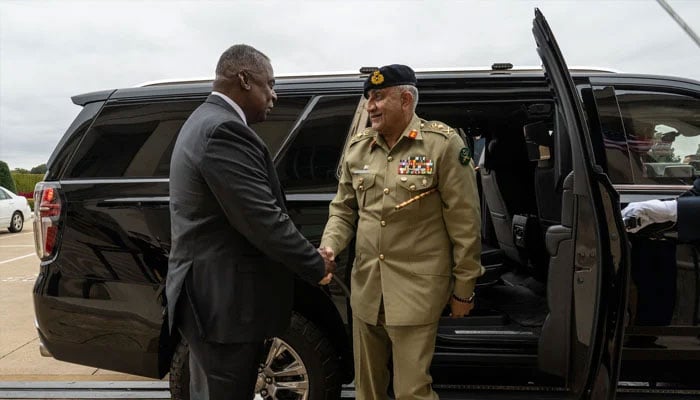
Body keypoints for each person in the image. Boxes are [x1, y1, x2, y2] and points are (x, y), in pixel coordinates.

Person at [166, 44, 334, 400]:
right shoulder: (223, 131)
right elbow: (261, 218)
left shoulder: (203, 121)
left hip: (213, 300)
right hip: (223, 305)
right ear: (244, 79)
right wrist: (315, 264)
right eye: (269, 84)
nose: (274, 95)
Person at [320, 64, 484, 399]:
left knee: (412, 392)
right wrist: (329, 247)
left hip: (417, 290)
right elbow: (343, 210)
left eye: (379, 97)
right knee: (367, 390)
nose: (370, 106)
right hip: (366, 288)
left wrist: (464, 289)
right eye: (368, 98)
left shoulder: (442, 145)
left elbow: (465, 224)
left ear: (406, 99)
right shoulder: (359, 148)